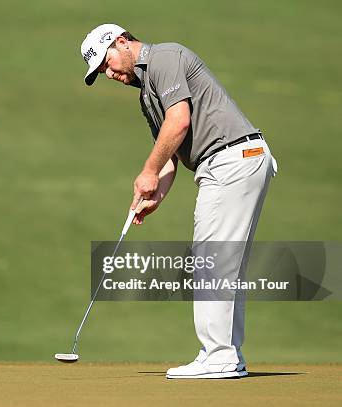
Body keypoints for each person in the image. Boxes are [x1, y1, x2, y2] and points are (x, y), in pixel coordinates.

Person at [80, 23, 277, 379]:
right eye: (101, 73)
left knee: (211, 257)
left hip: (231, 159)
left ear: (121, 41)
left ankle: (219, 355)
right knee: (222, 262)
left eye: (106, 63)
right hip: (230, 162)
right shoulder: (146, 95)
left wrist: (146, 171)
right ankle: (226, 353)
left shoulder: (165, 58)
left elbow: (179, 122)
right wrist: (156, 194)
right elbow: (170, 154)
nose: (109, 74)